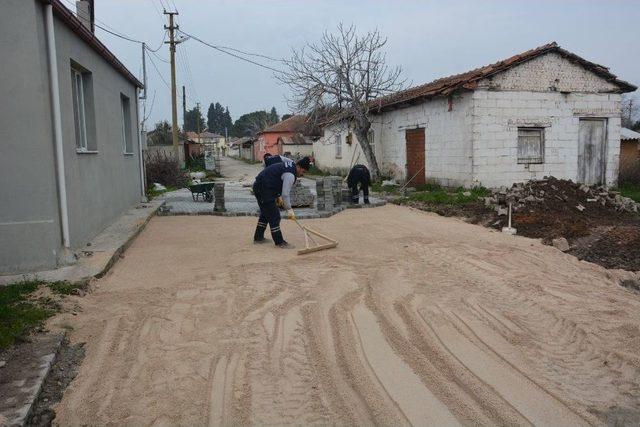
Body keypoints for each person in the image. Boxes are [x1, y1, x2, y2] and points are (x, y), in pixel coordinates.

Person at [253, 156, 312, 248]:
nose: (302, 174)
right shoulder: (291, 175)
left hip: (264, 186)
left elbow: (278, 180)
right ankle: (279, 242)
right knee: (274, 216)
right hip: (263, 188)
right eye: (303, 171)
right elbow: (285, 194)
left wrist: (278, 196)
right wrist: (289, 209)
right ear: (298, 167)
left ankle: (258, 237)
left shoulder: (291, 164)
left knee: (266, 213)